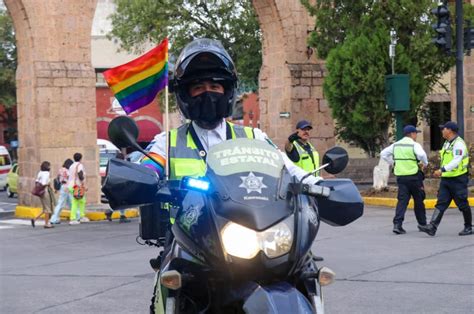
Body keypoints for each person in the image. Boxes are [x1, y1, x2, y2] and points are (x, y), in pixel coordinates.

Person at [141, 38, 323, 273]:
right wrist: (140, 177)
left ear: (227, 91)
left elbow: (288, 168)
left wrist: (319, 185)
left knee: (305, 272)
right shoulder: (167, 143)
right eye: (198, 88)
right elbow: (148, 167)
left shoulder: (254, 137)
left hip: (254, 233)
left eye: (215, 87)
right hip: (190, 241)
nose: (208, 93)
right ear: (186, 95)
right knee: (172, 285)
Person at [419, 121, 473, 236]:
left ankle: (469, 227)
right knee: (441, 203)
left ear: (450, 131)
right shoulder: (447, 143)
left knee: (462, 203)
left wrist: (442, 170)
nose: (442, 130)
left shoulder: (459, 144)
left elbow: (456, 161)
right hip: (447, 179)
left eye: (444, 129)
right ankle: (432, 227)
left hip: (458, 179)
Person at [380, 125, 428, 234]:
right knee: (419, 200)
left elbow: (383, 154)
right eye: (415, 133)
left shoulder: (396, 145)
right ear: (412, 134)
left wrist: (393, 163)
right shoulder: (414, 145)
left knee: (402, 201)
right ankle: (422, 224)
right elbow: (421, 154)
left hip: (401, 178)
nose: (416, 135)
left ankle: (397, 225)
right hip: (414, 177)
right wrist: (425, 163)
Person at [104, 152, 131, 223]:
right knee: (122, 201)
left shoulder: (112, 164)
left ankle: (110, 212)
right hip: (120, 185)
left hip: (113, 184)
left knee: (118, 201)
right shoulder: (121, 165)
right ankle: (122, 216)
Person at [31, 161, 56, 228]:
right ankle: (47, 224)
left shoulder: (40, 172)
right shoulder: (46, 173)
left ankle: (35, 219)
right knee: (48, 208)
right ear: (47, 167)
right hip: (45, 191)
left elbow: (37, 181)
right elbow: (44, 183)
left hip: (40, 192)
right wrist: (48, 184)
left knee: (45, 208)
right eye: (49, 166)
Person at [50, 158, 73, 224]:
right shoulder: (69, 171)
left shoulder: (61, 170)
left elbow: (58, 179)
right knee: (68, 202)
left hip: (62, 187)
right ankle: (54, 218)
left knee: (66, 203)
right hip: (68, 187)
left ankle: (55, 218)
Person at [68, 152, 88, 225]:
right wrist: (83, 184)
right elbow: (80, 174)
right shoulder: (79, 165)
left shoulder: (71, 165)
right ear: (80, 158)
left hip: (71, 185)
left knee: (82, 200)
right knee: (75, 202)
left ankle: (81, 216)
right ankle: (73, 218)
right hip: (76, 185)